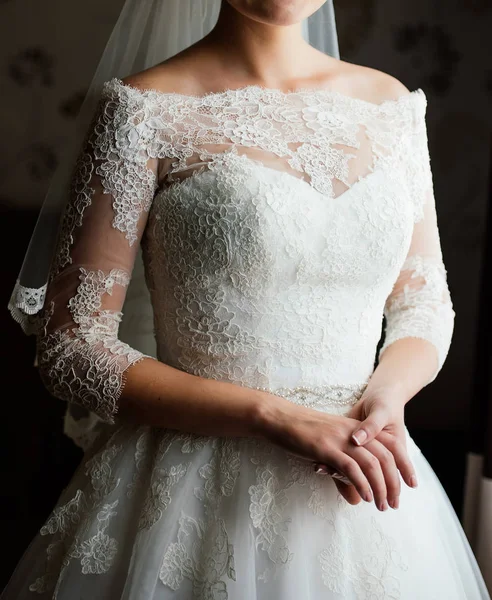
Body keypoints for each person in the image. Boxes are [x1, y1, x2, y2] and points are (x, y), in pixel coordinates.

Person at [2, 1, 490, 598]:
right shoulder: (142, 111)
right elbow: (72, 345)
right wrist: (272, 416)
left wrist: (386, 396)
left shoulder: (390, 107)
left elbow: (425, 303)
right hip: (195, 490)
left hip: (366, 476)